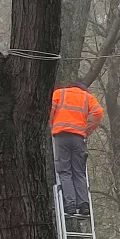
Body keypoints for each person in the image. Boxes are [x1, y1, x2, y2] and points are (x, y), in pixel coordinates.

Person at [51, 82, 104, 216]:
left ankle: (70, 205)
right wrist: (88, 130)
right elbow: (98, 112)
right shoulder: (87, 97)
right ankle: (83, 205)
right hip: (79, 138)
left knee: (65, 171)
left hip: (61, 136)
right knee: (78, 172)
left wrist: (52, 125)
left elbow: (49, 110)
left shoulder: (59, 93)